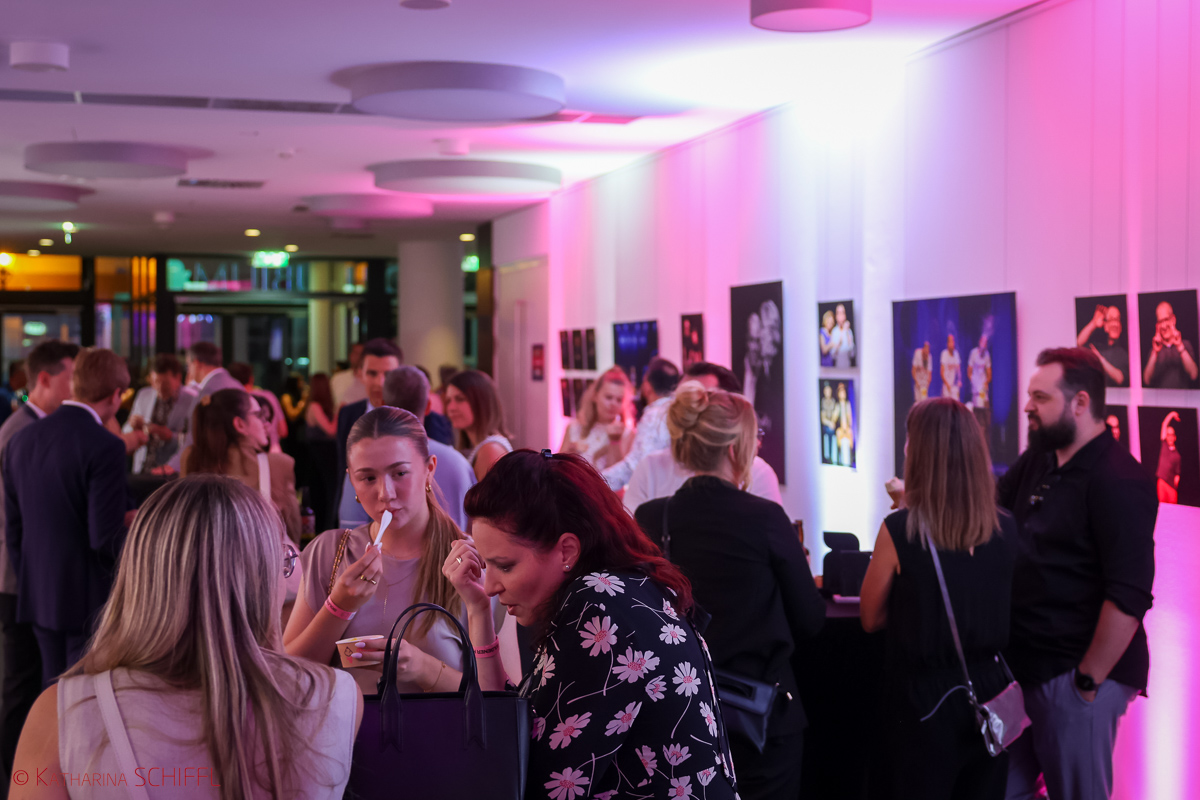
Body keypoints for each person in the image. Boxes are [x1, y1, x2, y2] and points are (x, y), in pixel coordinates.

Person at [10, 476, 362, 800]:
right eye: (284, 561)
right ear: (263, 579)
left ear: (140, 574)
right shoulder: (336, 698)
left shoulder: (62, 715)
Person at [442, 450, 739, 800]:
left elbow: (533, 779)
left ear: (567, 550)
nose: (491, 585)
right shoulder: (630, 586)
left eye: (505, 566)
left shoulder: (596, 605)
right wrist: (478, 612)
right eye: (486, 564)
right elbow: (514, 724)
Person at [634, 384, 824, 800]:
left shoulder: (650, 517)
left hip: (678, 712)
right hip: (760, 717)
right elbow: (810, 619)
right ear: (736, 451)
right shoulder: (766, 518)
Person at [998, 348, 1156, 800]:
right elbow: (991, 510)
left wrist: (1086, 683)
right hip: (1023, 673)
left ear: (1080, 403)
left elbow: (1128, 595)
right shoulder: (1040, 461)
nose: (1027, 407)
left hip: (1073, 678)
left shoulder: (1118, 479)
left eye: (1040, 397)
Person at [861, 398, 1019, 800]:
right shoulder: (1006, 527)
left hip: (924, 700)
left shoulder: (900, 530)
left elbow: (870, 617)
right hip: (993, 696)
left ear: (919, 452)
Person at [285, 407, 503, 697]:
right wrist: (339, 606)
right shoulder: (329, 552)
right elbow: (287, 676)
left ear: (429, 469)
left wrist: (424, 669)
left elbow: (497, 696)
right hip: (347, 726)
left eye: (399, 473)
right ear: (351, 481)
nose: (385, 493)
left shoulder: (470, 561)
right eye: (368, 478)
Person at [3, 348, 131, 686]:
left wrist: (32, 579)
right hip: (87, 598)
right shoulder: (106, 446)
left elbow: (14, 530)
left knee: (51, 693)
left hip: (38, 593)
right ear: (115, 395)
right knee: (84, 696)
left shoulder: (21, 439)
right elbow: (104, 537)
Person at [0, 341, 78, 778]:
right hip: (17, 579)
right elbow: (11, 521)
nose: (76, 387)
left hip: (28, 576)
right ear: (45, 379)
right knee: (22, 683)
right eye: (72, 377)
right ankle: (16, 778)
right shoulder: (19, 431)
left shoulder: (34, 427)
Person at [623, 362, 783, 513]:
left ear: (731, 412)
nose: (688, 411)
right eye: (684, 401)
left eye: (702, 401)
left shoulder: (759, 473)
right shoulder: (650, 468)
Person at [182, 388, 302, 546]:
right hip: (261, 560)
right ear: (239, 424)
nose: (266, 423)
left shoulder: (191, 459)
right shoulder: (277, 465)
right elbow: (293, 530)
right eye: (259, 415)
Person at [383, 366, 476, 531]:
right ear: (428, 406)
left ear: (383, 405)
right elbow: (474, 527)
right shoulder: (458, 463)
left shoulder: (368, 464)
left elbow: (352, 529)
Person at [335, 339, 403, 529]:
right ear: (360, 374)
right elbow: (342, 468)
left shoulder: (416, 417)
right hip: (355, 513)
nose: (380, 382)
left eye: (388, 374)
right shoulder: (348, 414)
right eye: (372, 373)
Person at [601, 356, 680, 491]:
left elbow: (635, 466)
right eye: (608, 397)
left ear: (647, 386)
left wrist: (590, 483)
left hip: (657, 495)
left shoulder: (655, 415)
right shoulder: (678, 412)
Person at [125, 353, 197, 475]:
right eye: (155, 382)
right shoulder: (144, 395)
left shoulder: (191, 400)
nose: (159, 388)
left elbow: (194, 440)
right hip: (142, 469)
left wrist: (170, 436)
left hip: (170, 472)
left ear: (178, 378)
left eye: (165, 384)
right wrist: (132, 426)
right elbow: (126, 430)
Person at [559, 366, 635, 470]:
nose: (613, 404)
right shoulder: (574, 428)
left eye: (619, 400)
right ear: (595, 396)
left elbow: (617, 474)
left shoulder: (626, 433)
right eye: (608, 397)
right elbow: (557, 467)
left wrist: (614, 441)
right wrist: (569, 454)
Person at [445, 369, 514, 481]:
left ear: (481, 402)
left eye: (460, 399)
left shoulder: (491, 450)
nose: (451, 408)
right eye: (448, 401)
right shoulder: (481, 447)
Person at [302, 373, 340, 531]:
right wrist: (340, 412)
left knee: (325, 492)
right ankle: (325, 528)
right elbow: (331, 430)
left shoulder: (316, 406)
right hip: (321, 454)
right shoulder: (315, 406)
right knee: (326, 492)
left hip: (322, 454)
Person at [229, 361, 287, 453]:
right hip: (274, 451)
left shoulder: (234, 402)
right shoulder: (269, 396)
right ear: (251, 379)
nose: (265, 424)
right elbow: (283, 431)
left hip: (247, 453)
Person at [1143, 300, 1199, 388]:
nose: (1164, 326)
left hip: (1182, 397)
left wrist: (1179, 346)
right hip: (1160, 397)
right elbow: (1146, 380)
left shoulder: (1185, 345)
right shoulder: (1154, 351)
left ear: (1173, 319)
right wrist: (1155, 352)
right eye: (1160, 322)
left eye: (1166, 320)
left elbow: (1194, 375)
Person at [1076, 304, 1129, 386]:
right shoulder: (1097, 347)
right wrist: (1093, 323)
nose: (1115, 324)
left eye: (1117, 320)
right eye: (1111, 320)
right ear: (1105, 326)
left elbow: (1120, 379)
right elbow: (1078, 343)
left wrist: (1100, 359)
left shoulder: (1124, 354)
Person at [1155, 411, 1182, 505]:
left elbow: (1177, 473)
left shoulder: (1177, 456)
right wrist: (1172, 414)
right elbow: (1164, 424)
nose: (1169, 437)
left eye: (1171, 435)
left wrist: (1175, 484)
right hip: (1162, 482)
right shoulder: (1164, 445)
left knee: (1172, 508)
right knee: (1162, 507)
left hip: (1171, 486)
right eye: (1168, 434)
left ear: (1175, 437)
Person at [331, 342, 367, 409]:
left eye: (361, 354)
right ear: (350, 355)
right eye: (355, 353)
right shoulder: (338, 378)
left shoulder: (371, 379)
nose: (358, 357)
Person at [968, 334, 992, 433]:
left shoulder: (987, 355)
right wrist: (973, 382)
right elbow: (969, 371)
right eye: (983, 343)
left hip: (983, 387)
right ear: (979, 343)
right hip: (975, 387)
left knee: (985, 408)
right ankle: (975, 430)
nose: (984, 345)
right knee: (976, 410)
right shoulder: (973, 353)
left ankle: (986, 430)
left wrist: (986, 382)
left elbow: (989, 373)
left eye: (986, 343)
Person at [835, 381, 855, 467]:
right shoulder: (838, 406)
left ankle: (851, 459)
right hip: (841, 430)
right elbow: (834, 417)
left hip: (847, 429)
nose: (842, 394)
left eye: (843, 391)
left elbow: (850, 418)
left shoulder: (847, 405)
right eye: (840, 392)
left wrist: (849, 426)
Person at [830, 303, 856, 368]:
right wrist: (839, 343)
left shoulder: (849, 331)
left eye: (842, 313)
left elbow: (852, 354)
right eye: (838, 313)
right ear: (836, 316)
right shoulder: (834, 332)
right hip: (837, 367)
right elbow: (832, 355)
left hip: (848, 367)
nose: (840, 316)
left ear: (845, 315)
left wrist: (847, 334)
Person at [821, 382, 838, 463]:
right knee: (828, 431)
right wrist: (829, 423)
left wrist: (832, 422)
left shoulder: (833, 401)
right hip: (826, 425)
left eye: (829, 390)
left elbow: (835, 414)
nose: (828, 392)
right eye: (826, 390)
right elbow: (823, 418)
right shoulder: (823, 402)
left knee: (832, 432)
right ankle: (826, 456)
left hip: (832, 425)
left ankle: (831, 456)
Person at [941, 334, 962, 400]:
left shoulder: (956, 354)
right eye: (950, 341)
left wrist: (959, 380)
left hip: (955, 386)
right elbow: (942, 372)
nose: (952, 343)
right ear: (947, 344)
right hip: (947, 386)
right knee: (947, 404)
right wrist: (947, 384)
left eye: (953, 341)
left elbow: (958, 369)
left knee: (956, 403)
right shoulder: (944, 354)